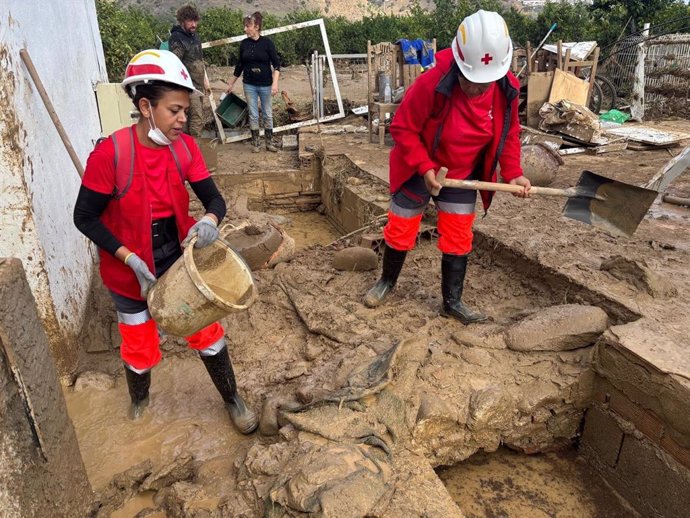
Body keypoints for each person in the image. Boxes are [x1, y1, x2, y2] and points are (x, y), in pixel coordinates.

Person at [73, 49, 258, 434]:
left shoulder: (185, 149)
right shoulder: (112, 153)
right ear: (145, 106)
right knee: (138, 349)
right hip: (127, 272)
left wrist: (209, 220)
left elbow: (215, 200)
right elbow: (84, 217)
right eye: (174, 110)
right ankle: (140, 404)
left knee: (207, 332)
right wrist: (128, 259)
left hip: (177, 262)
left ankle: (232, 399)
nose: (182, 119)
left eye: (185, 110)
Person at [364, 10, 531, 324]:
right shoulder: (433, 82)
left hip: (462, 172)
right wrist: (426, 168)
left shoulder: (506, 88)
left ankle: (452, 301)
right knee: (401, 227)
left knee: (458, 235)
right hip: (419, 165)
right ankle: (387, 281)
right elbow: (402, 128)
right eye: (470, 82)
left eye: (485, 83)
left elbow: (509, 132)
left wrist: (514, 173)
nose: (477, 90)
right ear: (458, 64)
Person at [225, 11, 281, 152]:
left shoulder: (267, 43)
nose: (245, 29)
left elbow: (277, 65)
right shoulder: (244, 44)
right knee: (253, 114)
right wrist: (231, 83)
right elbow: (240, 65)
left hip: (266, 85)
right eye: (245, 26)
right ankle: (256, 143)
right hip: (249, 84)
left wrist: (275, 83)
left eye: (248, 26)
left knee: (268, 113)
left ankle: (269, 142)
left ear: (256, 27)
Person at [169, 4, 210, 137]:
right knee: (195, 120)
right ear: (182, 21)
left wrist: (205, 81)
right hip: (187, 86)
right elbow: (174, 62)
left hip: (198, 85)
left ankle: (189, 149)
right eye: (190, 21)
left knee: (196, 118)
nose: (193, 24)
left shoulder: (195, 37)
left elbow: (199, 60)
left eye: (195, 21)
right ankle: (192, 149)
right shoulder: (177, 38)